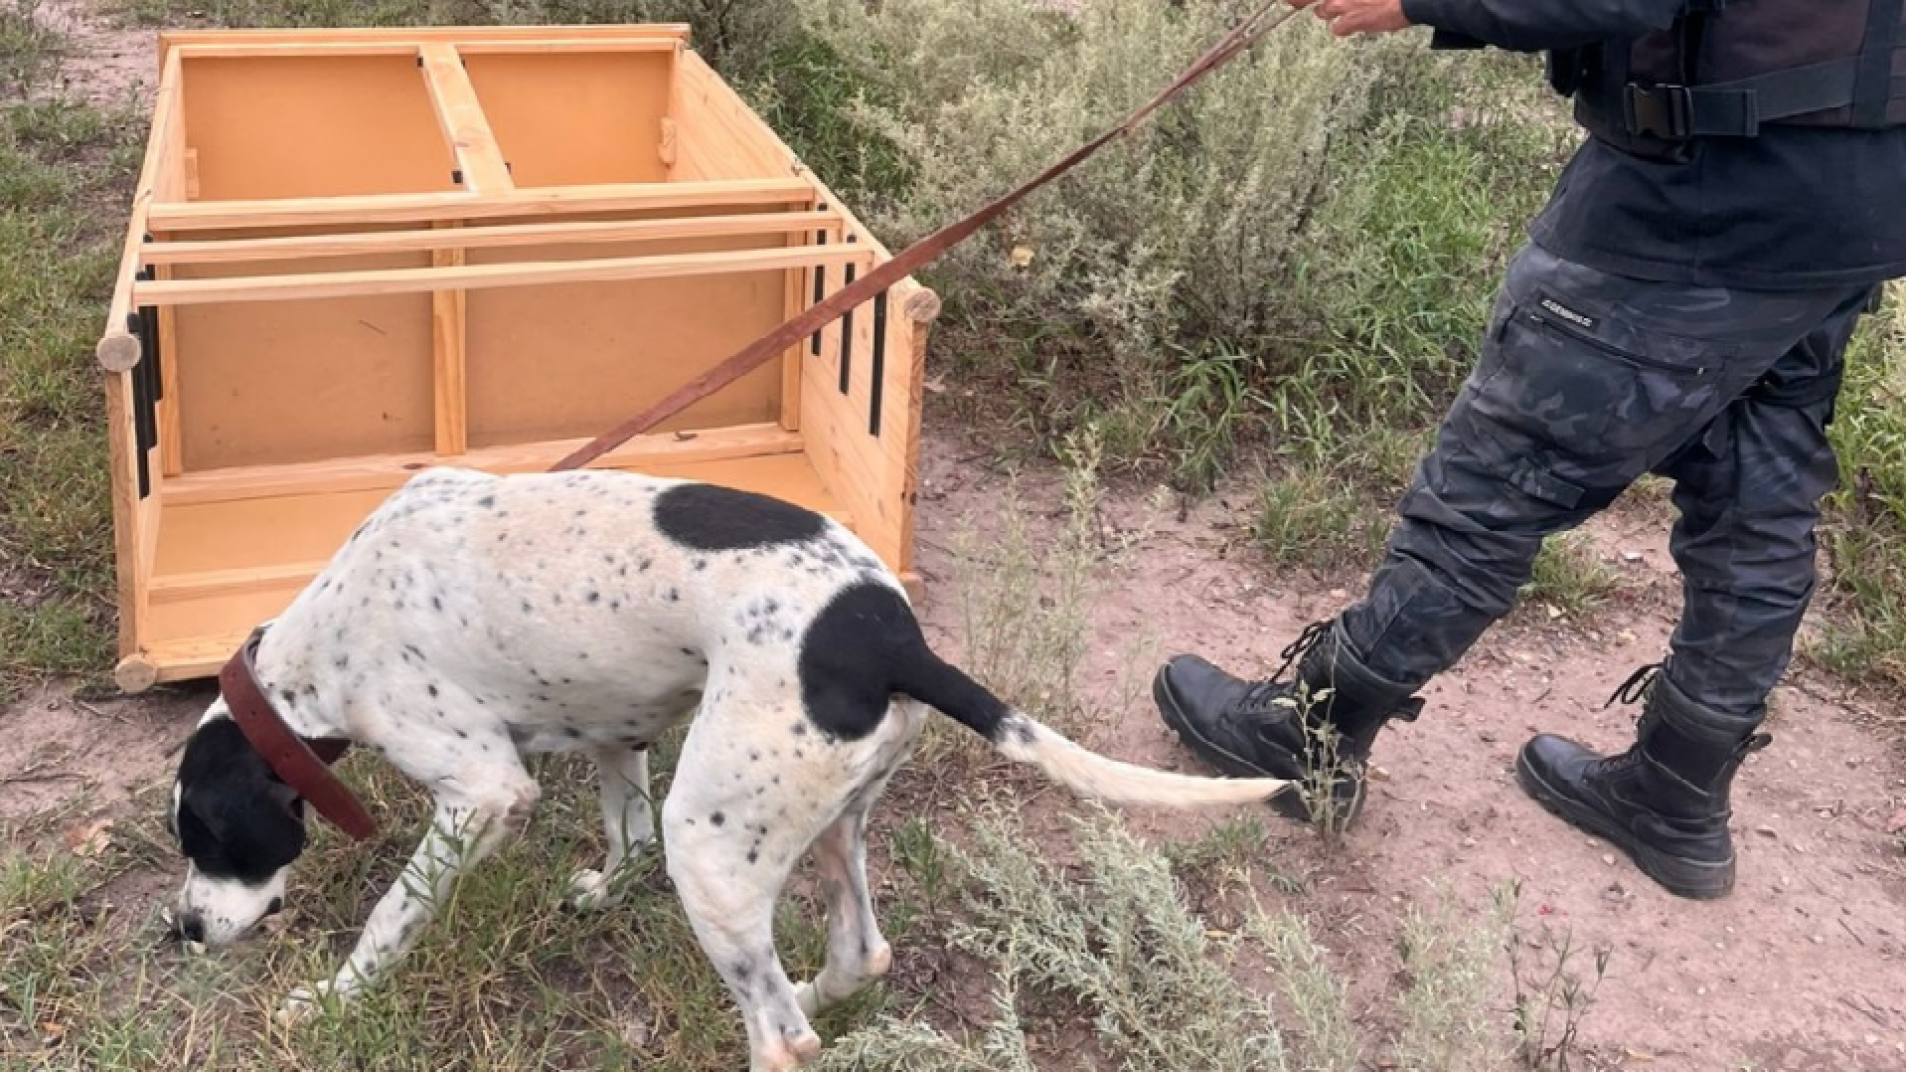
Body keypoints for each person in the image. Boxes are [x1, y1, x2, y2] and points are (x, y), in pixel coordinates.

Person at [1154, 0, 1906, 900]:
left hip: (1696, 209)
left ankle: (1309, 733)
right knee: (1757, 492)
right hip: (1851, 207)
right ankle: (1675, 793)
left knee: (1500, 479)